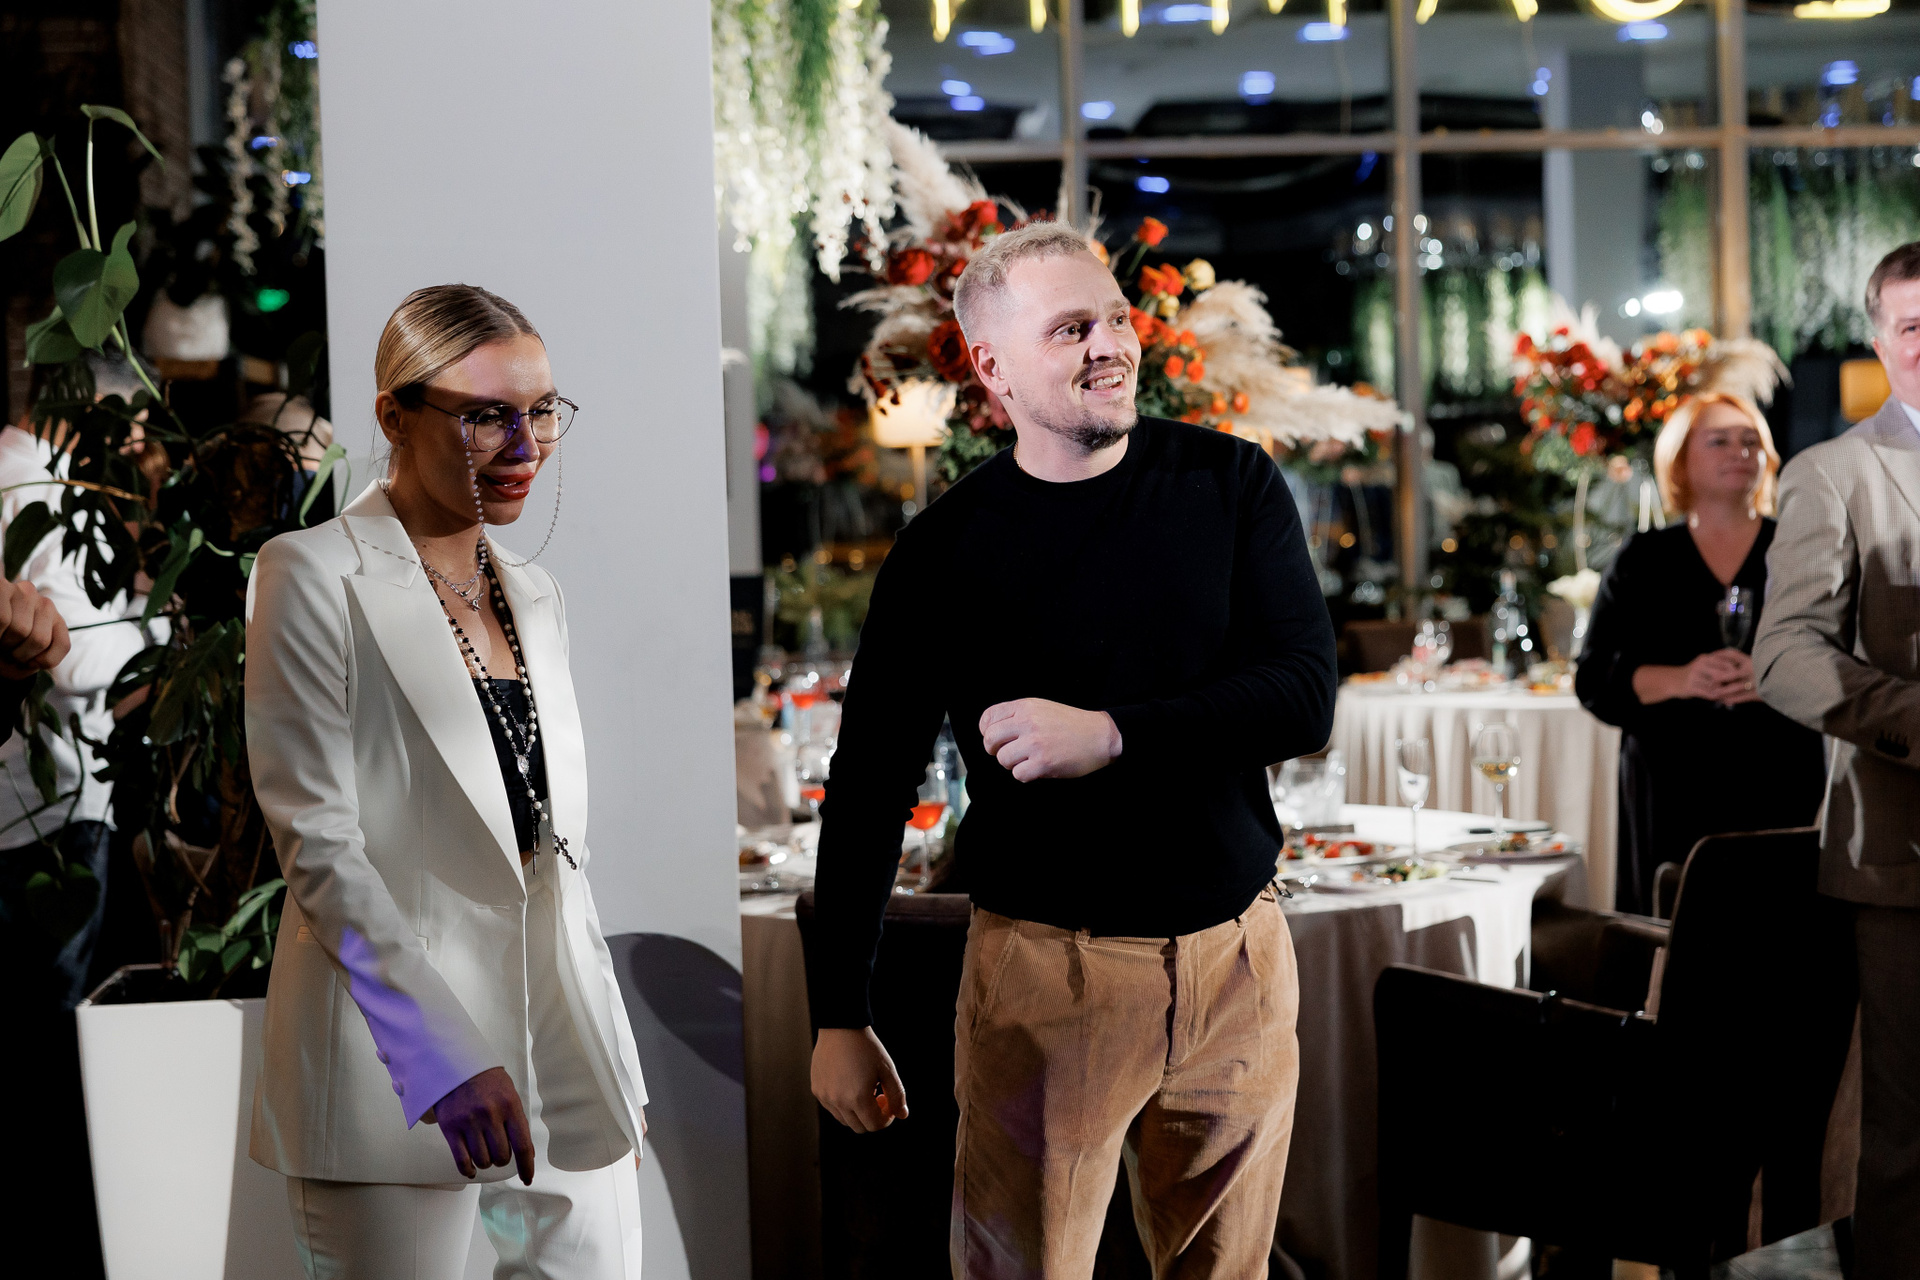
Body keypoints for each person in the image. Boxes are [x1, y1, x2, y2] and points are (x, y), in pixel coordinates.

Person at [809, 222, 1337, 1277]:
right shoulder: (943, 552)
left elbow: (1302, 699)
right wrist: (839, 1014)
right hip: (1049, 980)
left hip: (1240, 960)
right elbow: (869, 786)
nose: (1110, 345)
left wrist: (1112, 734)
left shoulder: (1231, 482)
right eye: (1069, 329)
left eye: (1115, 318)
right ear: (992, 368)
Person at [244, 285, 646, 1276]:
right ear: (395, 417)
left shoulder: (536, 594)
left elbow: (550, 848)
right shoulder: (309, 574)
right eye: (486, 415)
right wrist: (438, 1053)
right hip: (392, 1077)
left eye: (542, 410)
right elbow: (320, 848)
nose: (526, 443)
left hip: (563, 1057)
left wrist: (610, 1061)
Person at [1755, 241, 1920, 1278]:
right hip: (1906, 856)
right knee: (1910, 1146)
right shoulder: (1834, 472)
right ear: (1879, 341)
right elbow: (1782, 657)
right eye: (1912, 325)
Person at [1575, 392, 1826, 915]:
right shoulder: (1644, 559)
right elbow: (1594, 677)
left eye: (1751, 441)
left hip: (1777, 779)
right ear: (1681, 459)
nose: (1740, 452)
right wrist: (1682, 679)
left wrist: (1778, 677)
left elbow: (1842, 658)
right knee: (1677, 935)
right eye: (1720, 441)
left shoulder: (1800, 549)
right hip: (1671, 788)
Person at [0, 351, 167, 1011]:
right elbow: (75, 657)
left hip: (29, 798)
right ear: (97, 409)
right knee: (53, 1016)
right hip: (48, 807)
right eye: (134, 429)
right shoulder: (42, 491)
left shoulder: (13, 471)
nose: (137, 448)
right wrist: (157, 624)